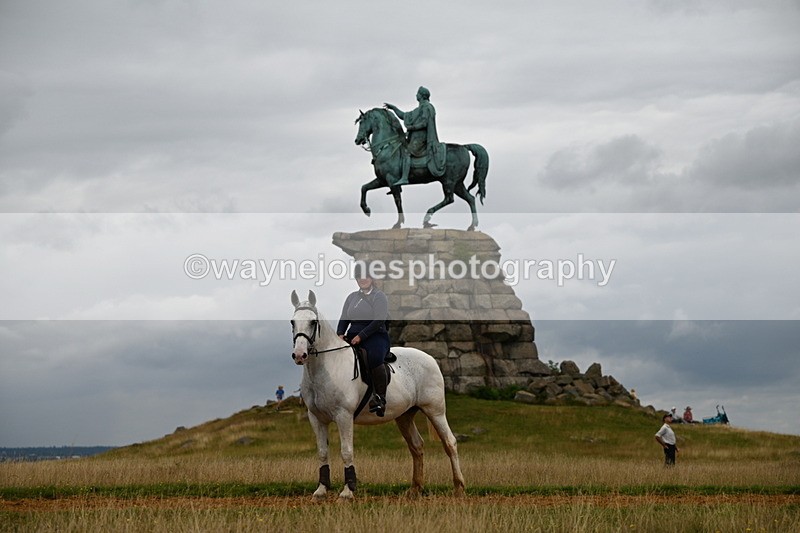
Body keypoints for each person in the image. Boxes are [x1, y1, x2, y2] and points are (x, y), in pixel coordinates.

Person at [336, 265, 391, 417]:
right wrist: (340, 334)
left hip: (376, 335)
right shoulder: (351, 297)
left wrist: (361, 336)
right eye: (359, 276)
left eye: (366, 276)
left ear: (372, 278)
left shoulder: (379, 296)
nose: (363, 279)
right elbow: (344, 318)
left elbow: (379, 319)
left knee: (374, 357)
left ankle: (380, 398)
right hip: (352, 336)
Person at [384, 86, 447, 181]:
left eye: (418, 93)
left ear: (422, 95)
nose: (416, 95)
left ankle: (405, 177)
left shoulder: (427, 107)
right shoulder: (419, 109)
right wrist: (394, 108)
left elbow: (424, 123)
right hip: (415, 137)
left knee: (406, 152)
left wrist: (412, 127)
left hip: (422, 138)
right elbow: (404, 116)